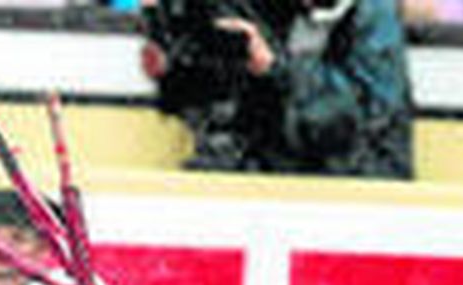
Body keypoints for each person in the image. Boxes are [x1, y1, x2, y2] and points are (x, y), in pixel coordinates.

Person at [140, 0, 414, 179]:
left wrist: (274, 68)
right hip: (288, 180)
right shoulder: (274, 12)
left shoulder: (374, 14)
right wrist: (173, 51)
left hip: (362, 185)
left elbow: (357, 119)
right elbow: (218, 111)